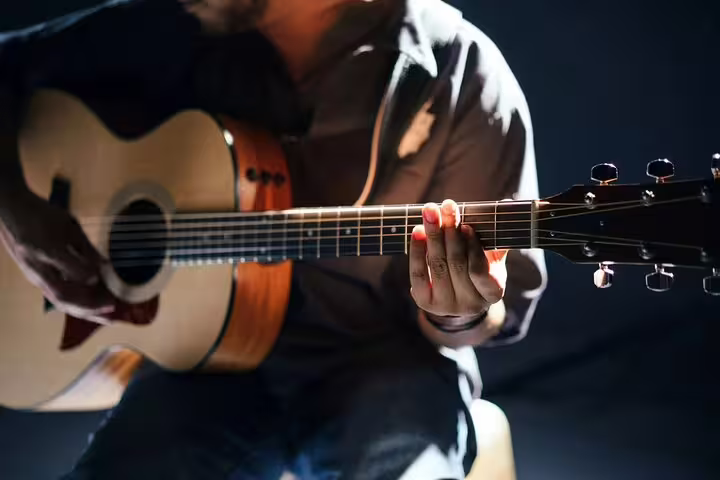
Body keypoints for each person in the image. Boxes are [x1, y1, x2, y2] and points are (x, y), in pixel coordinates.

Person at [0, 0, 546, 478]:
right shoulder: (170, 24)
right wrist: (16, 209)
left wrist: (458, 310)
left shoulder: (458, 69)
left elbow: (492, 312)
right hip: (202, 371)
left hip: (387, 367)